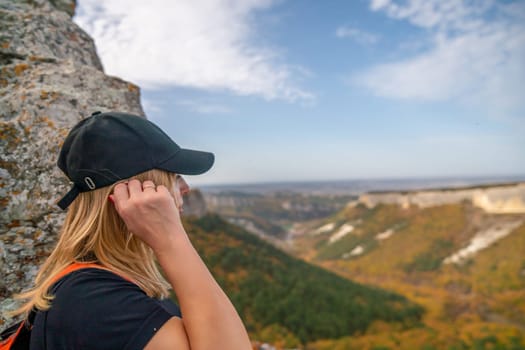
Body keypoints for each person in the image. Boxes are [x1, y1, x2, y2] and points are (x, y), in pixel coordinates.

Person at [11, 111, 252, 349]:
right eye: (175, 176)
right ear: (136, 192)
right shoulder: (96, 302)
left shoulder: (108, 285)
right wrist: (171, 241)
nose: (186, 187)